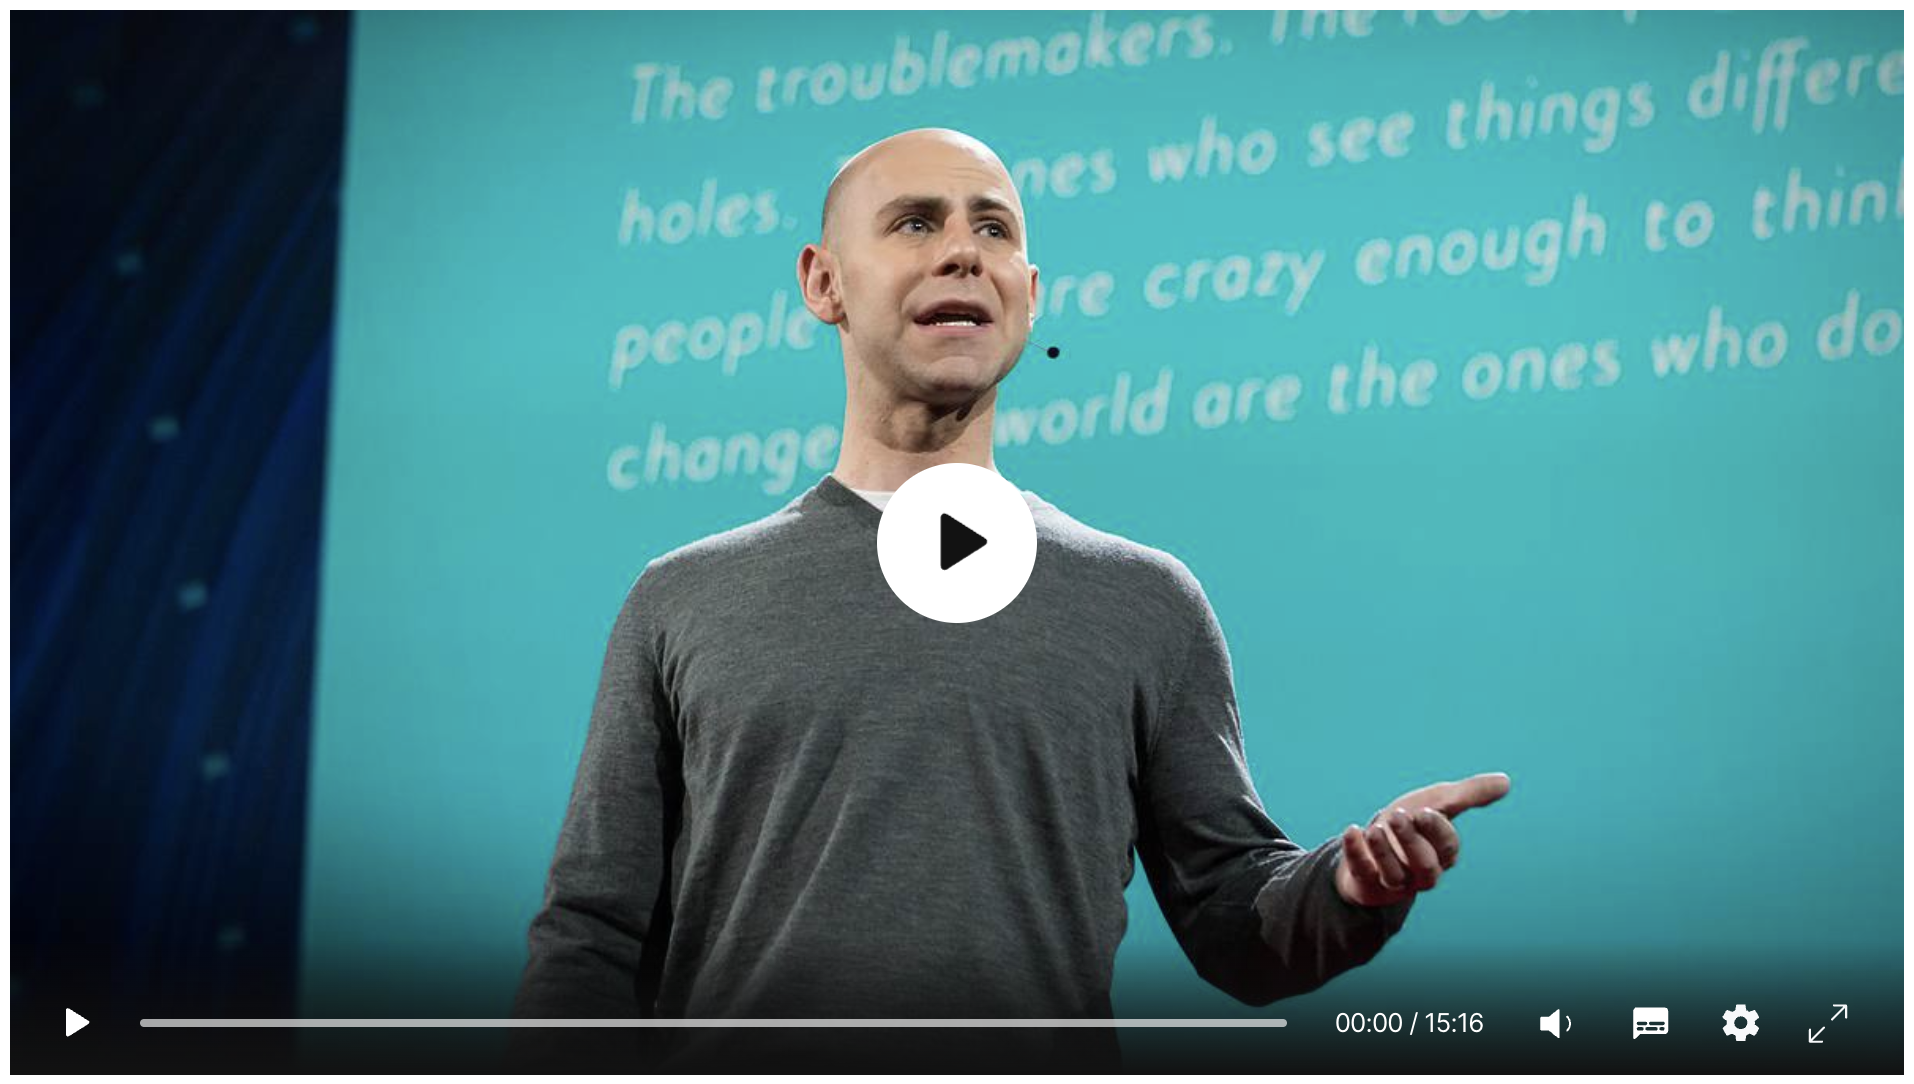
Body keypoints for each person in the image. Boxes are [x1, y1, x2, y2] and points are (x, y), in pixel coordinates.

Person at [508, 127, 1510, 1072]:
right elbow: (591, 937)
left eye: (993, 228)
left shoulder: (1143, 601)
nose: (963, 252)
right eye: (916, 223)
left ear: (1029, 295)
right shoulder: (682, 599)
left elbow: (1235, 916)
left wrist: (1346, 884)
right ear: (823, 282)